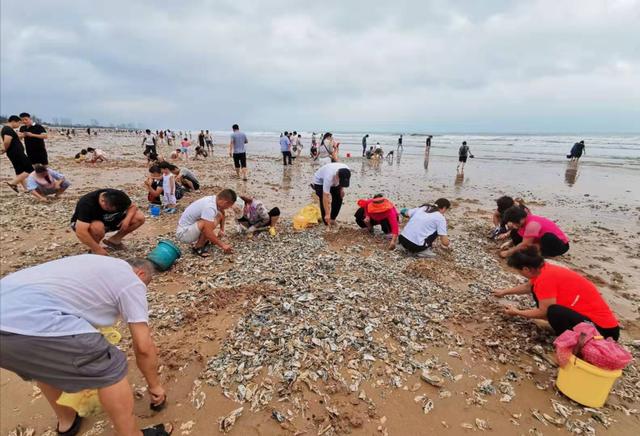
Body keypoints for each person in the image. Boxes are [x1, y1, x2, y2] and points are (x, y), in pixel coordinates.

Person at [0, 255, 172, 436]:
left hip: (9, 314)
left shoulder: (95, 263)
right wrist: (155, 386)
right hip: (33, 320)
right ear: (140, 273)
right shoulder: (131, 280)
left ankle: (67, 421)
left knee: (44, 364)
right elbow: (144, 347)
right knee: (110, 366)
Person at [494, 247, 620, 340]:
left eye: (518, 271)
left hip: (604, 332)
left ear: (526, 269)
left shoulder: (545, 279)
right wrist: (504, 292)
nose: (519, 273)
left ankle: (570, 342)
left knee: (553, 311)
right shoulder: (543, 269)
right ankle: (558, 327)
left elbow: (543, 312)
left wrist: (517, 312)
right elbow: (528, 286)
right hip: (590, 321)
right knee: (541, 297)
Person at [71, 189, 145, 255]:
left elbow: (132, 207)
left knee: (139, 217)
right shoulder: (87, 203)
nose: (114, 211)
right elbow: (80, 231)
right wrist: (98, 249)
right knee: (97, 227)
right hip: (88, 224)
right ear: (102, 201)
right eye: (110, 209)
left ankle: (114, 240)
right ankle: (94, 249)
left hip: (109, 221)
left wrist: (127, 219)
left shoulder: (119, 196)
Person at [176, 189, 236, 256]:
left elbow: (222, 212)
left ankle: (203, 240)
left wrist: (222, 229)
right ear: (225, 202)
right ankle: (198, 247)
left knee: (218, 215)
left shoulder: (214, 199)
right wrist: (223, 245)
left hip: (190, 228)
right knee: (205, 224)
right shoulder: (210, 207)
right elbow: (208, 232)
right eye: (228, 206)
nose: (228, 208)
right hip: (183, 234)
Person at [500, 206, 569, 258]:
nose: (514, 225)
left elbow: (525, 244)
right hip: (540, 241)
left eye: (514, 223)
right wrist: (510, 243)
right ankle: (530, 251)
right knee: (514, 232)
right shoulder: (524, 221)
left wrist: (508, 253)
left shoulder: (532, 224)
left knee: (547, 237)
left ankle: (542, 254)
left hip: (560, 245)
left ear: (520, 219)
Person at [2, 115, 33, 192]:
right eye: (19, 123)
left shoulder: (7, 129)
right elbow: (6, 141)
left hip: (14, 153)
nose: (19, 125)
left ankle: (26, 189)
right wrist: (5, 149)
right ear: (13, 121)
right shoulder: (7, 129)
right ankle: (13, 183)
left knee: (19, 171)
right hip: (16, 153)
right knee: (30, 169)